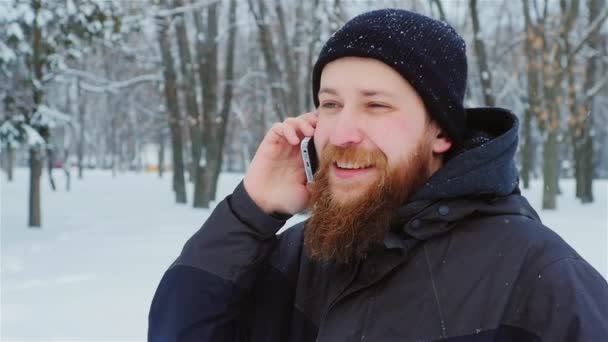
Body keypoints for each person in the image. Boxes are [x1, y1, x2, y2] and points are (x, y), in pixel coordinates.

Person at [148, 8, 608, 341]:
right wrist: (250, 211)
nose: (343, 132)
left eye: (376, 105)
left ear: (441, 132)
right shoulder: (300, 255)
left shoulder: (538, 274)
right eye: (330, 104)